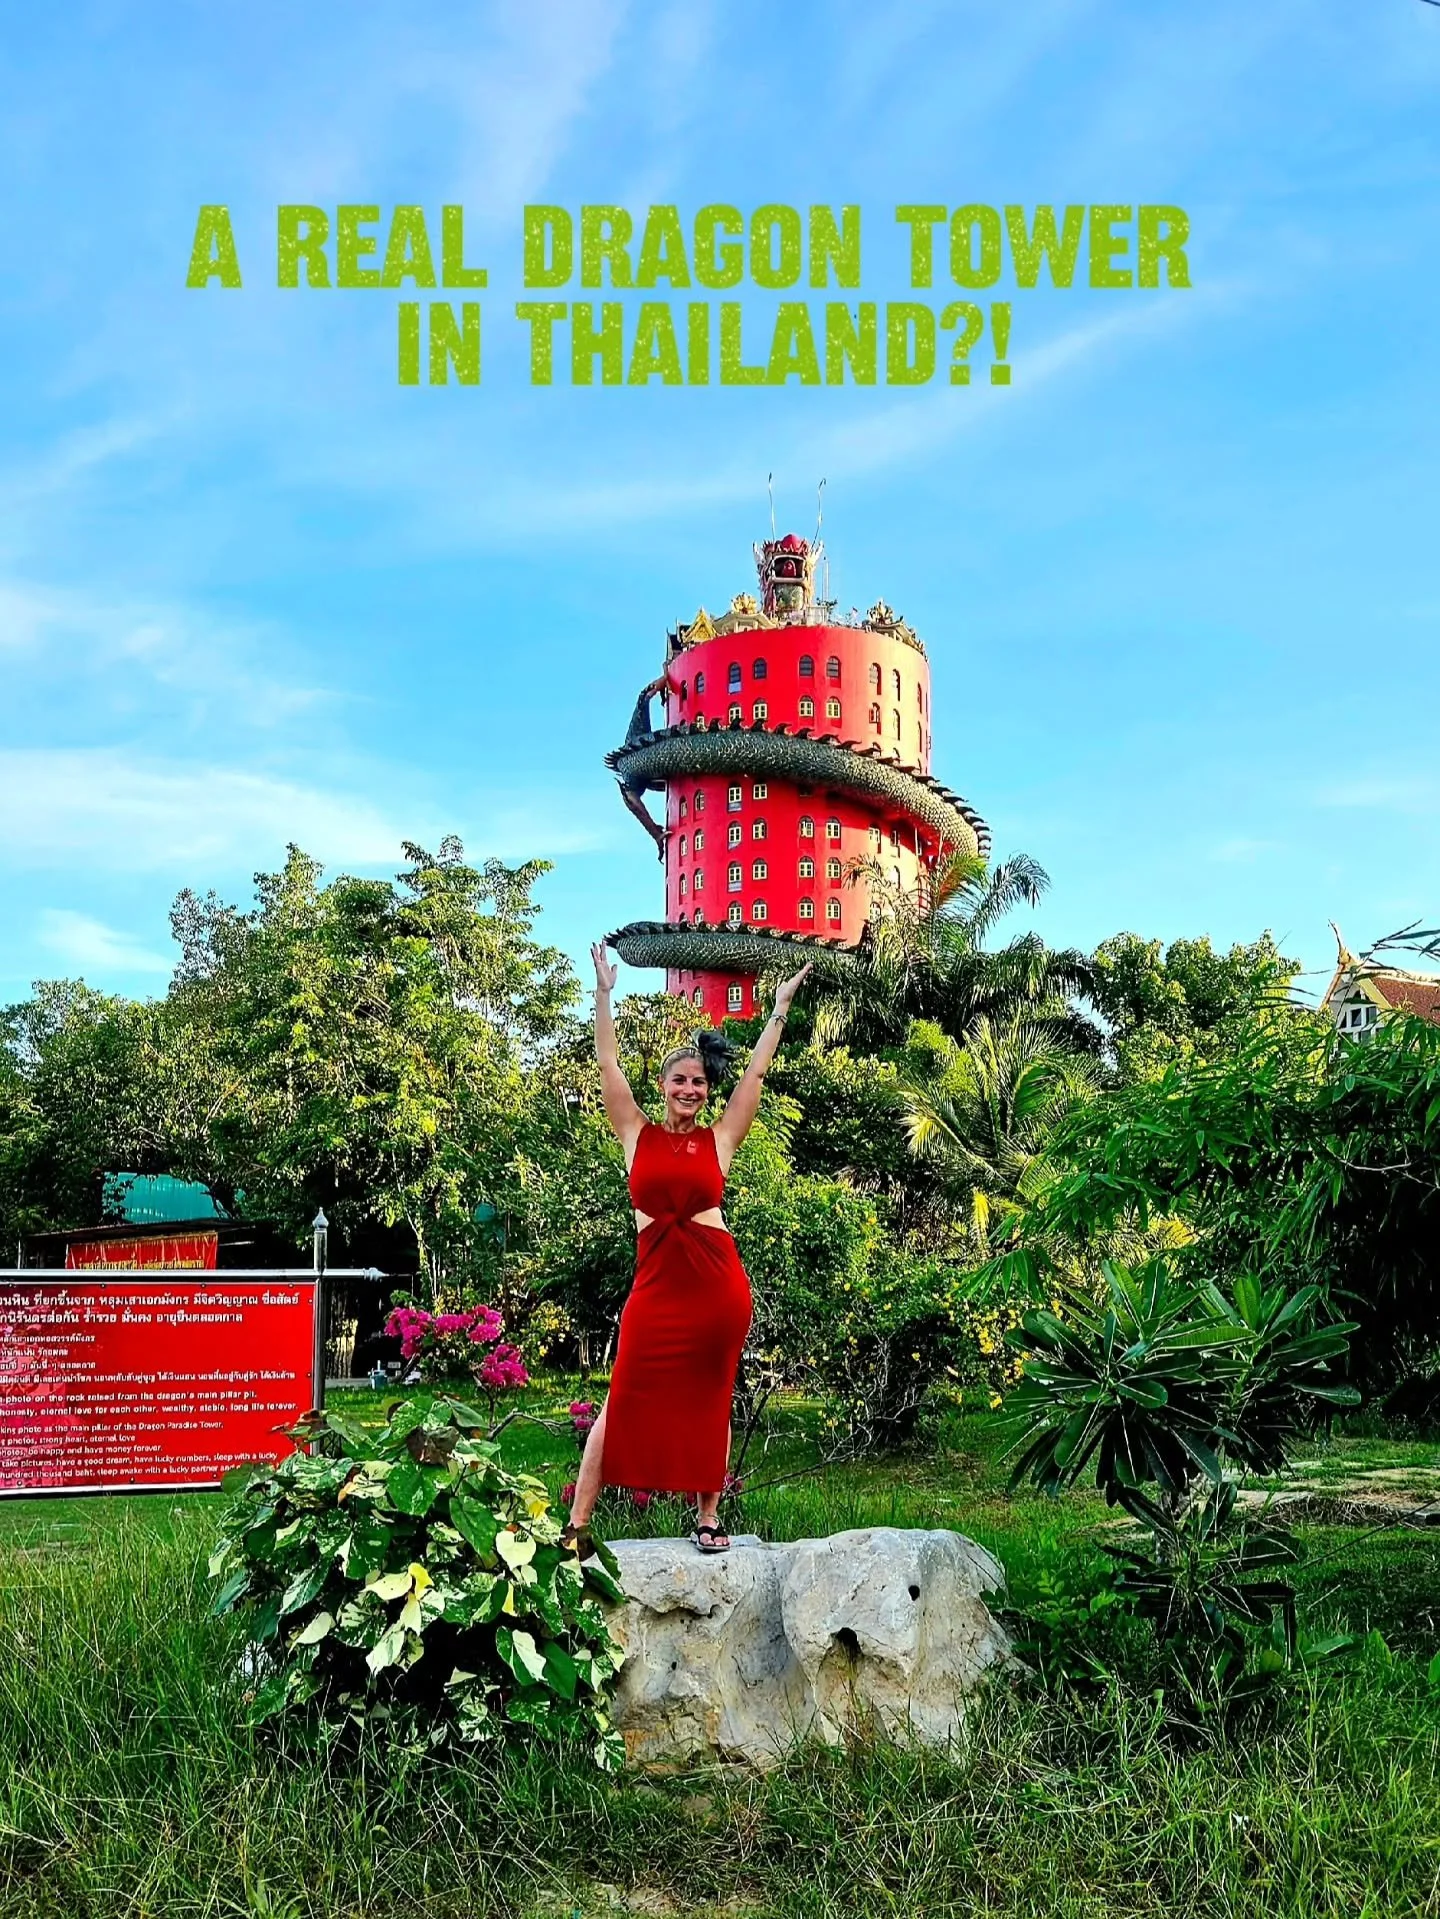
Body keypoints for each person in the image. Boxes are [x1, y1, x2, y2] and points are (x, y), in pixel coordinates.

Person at [561, 941, 813, 1556]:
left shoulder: (721, 1140)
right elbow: (606, 1065)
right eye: (680, 1080)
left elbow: (754, 1075)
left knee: (710, 1397)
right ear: (664, 1084)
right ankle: (576, 1527)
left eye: (699, 1081)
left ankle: (707, 1517)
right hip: (655, 1287)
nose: (690, 1089)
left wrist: (778, 1008)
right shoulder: (635, 1132)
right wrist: (603, 994)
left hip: (715, 1289)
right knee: (621, 1395)